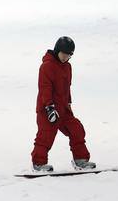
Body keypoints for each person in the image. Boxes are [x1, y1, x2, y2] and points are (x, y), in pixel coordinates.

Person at [30, 36, 94, 172]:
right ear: (57, 50)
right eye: (64, 54)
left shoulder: (67, 67)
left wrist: (69, 103)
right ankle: (38, 164)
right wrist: (49, 107)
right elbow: (44, 88)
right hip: (47, 109)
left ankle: (80, 160)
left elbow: (67, 87)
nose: (66, 57)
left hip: (63, 108)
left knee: (76, 129)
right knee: (45, 136)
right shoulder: (46, 67)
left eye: (69, 55)